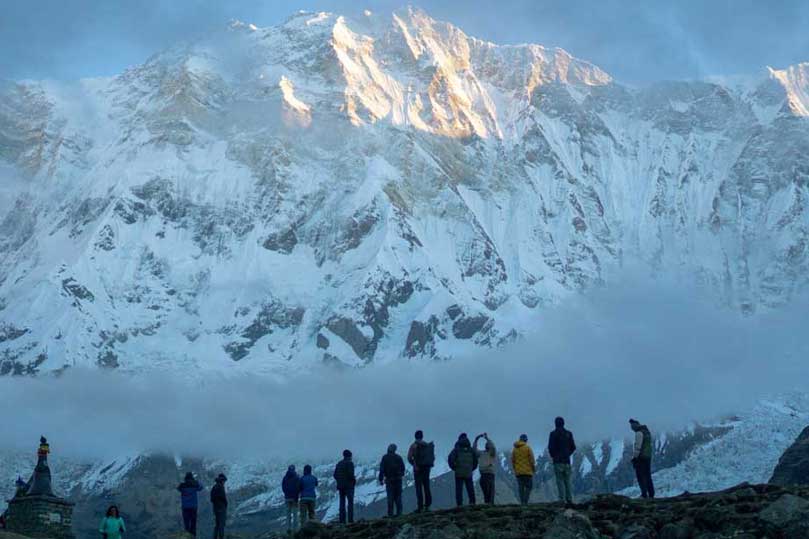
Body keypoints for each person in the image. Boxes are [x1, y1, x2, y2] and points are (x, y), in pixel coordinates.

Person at [548, 417, 577, 504]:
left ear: (555, 423)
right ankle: (569, 499)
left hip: (558, 461)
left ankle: (562, 499)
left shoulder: (553, 434)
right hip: (567, 461)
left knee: (559, 480)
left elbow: (550, 447)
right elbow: (573, 447)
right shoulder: (569, 434)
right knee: (567, 480)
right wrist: (568, 454)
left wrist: (554, 456)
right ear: (563, 423)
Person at [407, 430, 435, 512]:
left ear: (415, 436)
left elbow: (409, 457)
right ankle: (428, 505)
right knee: (426, 486)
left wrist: (414, 464)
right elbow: (432, 457)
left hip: (417, 469)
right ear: (422, 436)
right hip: (426, 468)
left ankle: (420, 506)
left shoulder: (413, 446)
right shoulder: (427, 445)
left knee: (418, 488)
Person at [448, 433, 478, 507]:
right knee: (470, 488)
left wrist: (454, 468)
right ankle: (472, 502)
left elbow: (450, 459)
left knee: (459, 490)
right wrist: (471, 468)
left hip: (459, 472)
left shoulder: (456, 449)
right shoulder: (471, 450)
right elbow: (476, 461)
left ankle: (459, 504)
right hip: (468, 472)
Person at [630, 419, 655, 499]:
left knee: (640, 475)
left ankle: (644, 494)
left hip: (641, 457)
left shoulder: (639, 433)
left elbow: (638, 446)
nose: (631, 428)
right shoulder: (647, 432)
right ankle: (651, 493)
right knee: (647, 475)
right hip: (648, 456)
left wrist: (634, 458)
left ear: (635, 425)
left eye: (632, 425)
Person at [378, 444, 405, 517]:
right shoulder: (398, 457)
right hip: (398, 480)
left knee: (390, 498)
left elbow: (382, 469)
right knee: (398, 498)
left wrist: (381, 479)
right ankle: (399, 514)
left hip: (389, 481)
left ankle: (390, 515)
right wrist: (400, 475)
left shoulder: (385, 458)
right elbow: (403, 469)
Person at [333, 450, 356, 524]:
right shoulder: (350, 463)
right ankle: (350, 520)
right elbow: (350, 474)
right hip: (349, 486)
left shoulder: (339, 463)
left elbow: (335, 475)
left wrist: (339, 481)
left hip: (341, 486)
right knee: (350, 503)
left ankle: (342, 520)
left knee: (342, 503)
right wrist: (353, 481)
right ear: (349, 456)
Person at [511, 434, 536, 505]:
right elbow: (532, 460)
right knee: (529, 487)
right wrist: (533, 469)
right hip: (527, 472)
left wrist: (515, 469)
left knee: (521, 488)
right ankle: (525, 501)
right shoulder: (528, 448)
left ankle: (522, 502)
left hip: (518, 473)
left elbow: (513, 461)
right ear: (526, 440)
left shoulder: (514, 450)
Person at [177, 472, 204, 536]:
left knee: (186, 523)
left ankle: (187, 536)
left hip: (185, 507)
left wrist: (184, 483)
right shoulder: (194, 485)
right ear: (192, 478)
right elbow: (201, 487)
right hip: (193, 507)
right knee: (193, 523)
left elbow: (178, 488)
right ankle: (193, 536)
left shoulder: (182, 485)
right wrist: (196, 481)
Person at [473, 433, 497, 504]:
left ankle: (488, 506)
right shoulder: (489, 453)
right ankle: (489, 506)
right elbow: (474, 450)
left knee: (488, 494)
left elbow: (474, 449)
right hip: (488, 475)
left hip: (485, 475)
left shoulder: (490, 453)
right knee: (489, 493)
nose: (488, 446)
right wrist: (480, 439)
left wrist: (477, 439)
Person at [282, 465, 301, 534]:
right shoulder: (296, 477)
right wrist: (296, 495)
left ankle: (288, 529)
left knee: (288, 514)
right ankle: (295, 530)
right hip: (294, 498)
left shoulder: (285, 477)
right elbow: (298, 487)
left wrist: (286, 494)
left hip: (287, 498)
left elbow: (283, 487)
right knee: (295, 514)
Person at [210, 473, 228, 539]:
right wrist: (225, 504)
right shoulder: (221, 486)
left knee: (217, 524)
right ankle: (221, 537)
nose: (224, 482)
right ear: (222, 480)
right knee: (221, 523)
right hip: (221, 507)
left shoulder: (214, 487)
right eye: (224, 481)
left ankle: (214, 537)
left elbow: (211, 498)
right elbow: (223, 497)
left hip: (215, 507)